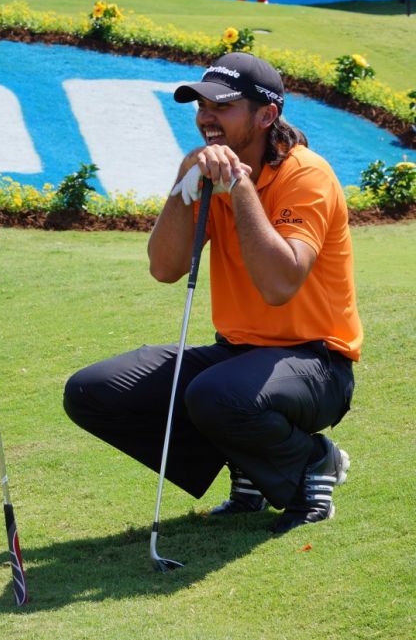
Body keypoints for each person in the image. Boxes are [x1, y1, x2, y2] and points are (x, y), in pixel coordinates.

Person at [63, 52, 362, 535]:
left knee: (215, 395)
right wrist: (186, 182)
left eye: (221, 106)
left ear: (267, 115)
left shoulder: (306, 175)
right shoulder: (206, 173)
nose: (206, 117)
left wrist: (239, 188)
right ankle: (249, 464)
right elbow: (165, 268)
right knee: (92, 392)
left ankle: (311, 463)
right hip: (239, 357)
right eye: (201, 106)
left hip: (317, 363)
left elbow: (280, 284)